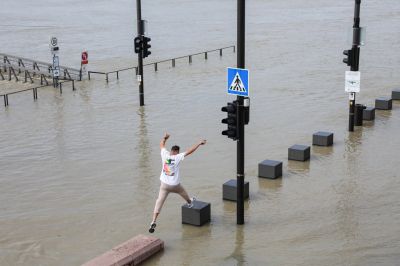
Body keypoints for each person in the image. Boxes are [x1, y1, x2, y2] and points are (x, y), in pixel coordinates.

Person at [149, 133, 206, 233]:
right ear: (177, 152)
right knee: (185, 195)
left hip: (164, 185)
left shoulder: (165, 154)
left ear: (171, 151)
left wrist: (165, 138)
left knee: (159, 202)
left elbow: (161, 144)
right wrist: (198, 143)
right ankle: (190, 203)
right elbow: (190, 151)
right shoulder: (178, 157)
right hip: (175, 185)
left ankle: (153, 221)